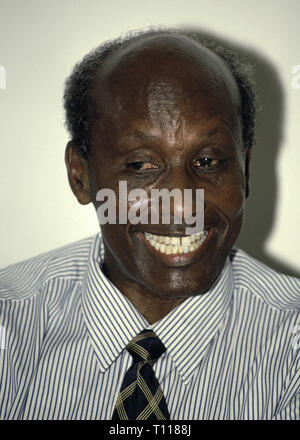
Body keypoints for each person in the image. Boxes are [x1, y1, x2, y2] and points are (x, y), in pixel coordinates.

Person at [0, 28, 299, 420]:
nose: (180, 205)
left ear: (244, 168)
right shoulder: (10, 324)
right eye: (141, 165)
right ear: (81, 175)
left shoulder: (290, 344)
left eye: (208, 161)